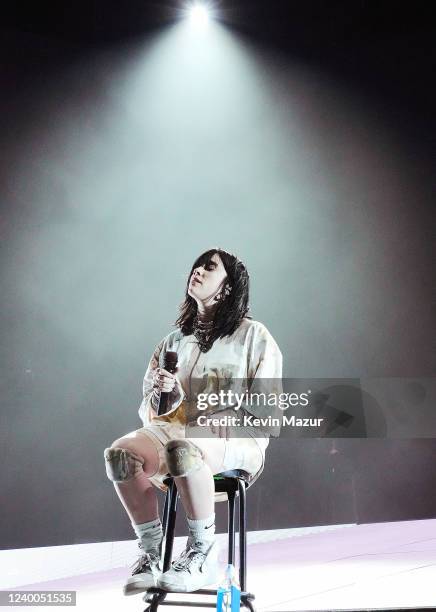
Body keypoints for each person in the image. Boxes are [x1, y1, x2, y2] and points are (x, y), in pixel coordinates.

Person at [104, 247, 283, 596]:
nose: (198, 271)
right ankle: (153, 551)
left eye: (210, 267)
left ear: (228, 287)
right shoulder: (174, 341)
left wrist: (228, 415)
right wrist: (164, 394)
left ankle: (202, 554)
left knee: (183, 449)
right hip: (175, 433)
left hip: (234, 438)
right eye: (197, 266)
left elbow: (269, 409)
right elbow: (154, 413)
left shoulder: (253, 336)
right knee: (120, 454)